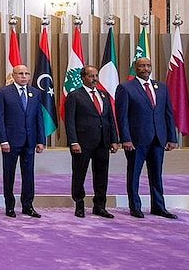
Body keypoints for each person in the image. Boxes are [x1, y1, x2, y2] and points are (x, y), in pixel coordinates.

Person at [115, 57, 179, 219]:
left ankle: (158, 207)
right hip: (136, 140)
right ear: (135, 68)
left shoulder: (162, 88)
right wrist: (126, 139)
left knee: (157, 175)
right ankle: (135, 207)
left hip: (158, 139)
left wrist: (172, 137)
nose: (145, 68)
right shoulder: (125, 88)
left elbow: (168, 114)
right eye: (142, 66)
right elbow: (122, 117)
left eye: (148, 65)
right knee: (134, 174)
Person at [65, 65, 119, 219]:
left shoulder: (104, 95)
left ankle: (100, 206)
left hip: (103, 142)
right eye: (91, 76)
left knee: (102, 175)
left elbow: (110, 119)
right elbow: (70, 121)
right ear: (83, 78)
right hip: (82, 144)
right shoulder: (75, 96)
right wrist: (73, 141)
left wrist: (114, 140)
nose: (95, 79)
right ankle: (79, 205)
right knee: (79, 174)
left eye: (96, 76)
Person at [0, 64, 45, 218]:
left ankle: (28, 206)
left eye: (26, 73)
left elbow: (39, 118)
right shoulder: (3, 92)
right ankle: (9, 206)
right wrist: (3, 140)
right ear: (14, 75)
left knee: (28, 175)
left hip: (30, 141)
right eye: (20, 73)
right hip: (10, 142)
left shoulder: (35, 93)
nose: (24, 76)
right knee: (9, 174)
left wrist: (41, 140)